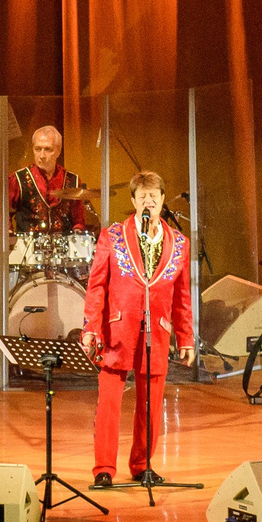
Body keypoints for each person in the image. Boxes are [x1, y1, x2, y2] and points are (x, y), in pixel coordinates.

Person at [82, 171, 194, 486]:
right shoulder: (112, 236)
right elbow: (96, 286)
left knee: (151, 402)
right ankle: (104, 468)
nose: (148, 201)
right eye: (142, 196)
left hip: (156, 331)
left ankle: (143, 465)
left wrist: (186, 336)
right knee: (109, 402)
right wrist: (91, 327)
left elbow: (182, 295)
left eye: (153, 196)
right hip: (116, 330)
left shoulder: (179, 243)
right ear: (133, 201)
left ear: (162, 201)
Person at [10, 124, 94, 233]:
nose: (42, 155)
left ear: (58, 151)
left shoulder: (72, 180)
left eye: (48, 149)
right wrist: (8, 232)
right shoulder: (17, 179)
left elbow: (78, 218)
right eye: (37, 149)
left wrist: (78, 231)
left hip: (63, 246)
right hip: (27, 246)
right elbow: (3, 213)